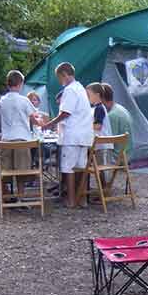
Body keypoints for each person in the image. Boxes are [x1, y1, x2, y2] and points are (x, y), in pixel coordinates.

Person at [42, 62, 93, 209]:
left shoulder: (70, 90)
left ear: (64, 74)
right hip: (84, 135)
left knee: (68, 168)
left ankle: (70, 200)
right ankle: (81, 199)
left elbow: (65, 112)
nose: (59, 81)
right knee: (80, 167)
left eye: (59, 78)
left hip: (72, 135)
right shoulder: (81, 88)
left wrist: (50, 124)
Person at [0, 70, 40, 198]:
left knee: (6, 170)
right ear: (20, 83)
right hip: (22, 138)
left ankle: (6, 197)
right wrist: (42, 121)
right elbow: (34, 119)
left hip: (6, 139)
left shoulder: (2, 100)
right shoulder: (23, 100)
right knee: (22, 170)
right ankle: (21, 197)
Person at [101, 82, 133, 160]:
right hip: (127, 154)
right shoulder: (121, 108)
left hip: (118, 157)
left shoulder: (112, 115)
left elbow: (109, 142)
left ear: (102, 98)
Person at [86, 82, 113, 165]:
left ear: (97, 95)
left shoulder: (99, 108)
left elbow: (98, 126)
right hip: (98, 145)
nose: (87, 97)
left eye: (88, 94)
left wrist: (84, 126)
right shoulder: (94, 108)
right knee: (99, 169)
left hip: (103, 145)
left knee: (103, 170)